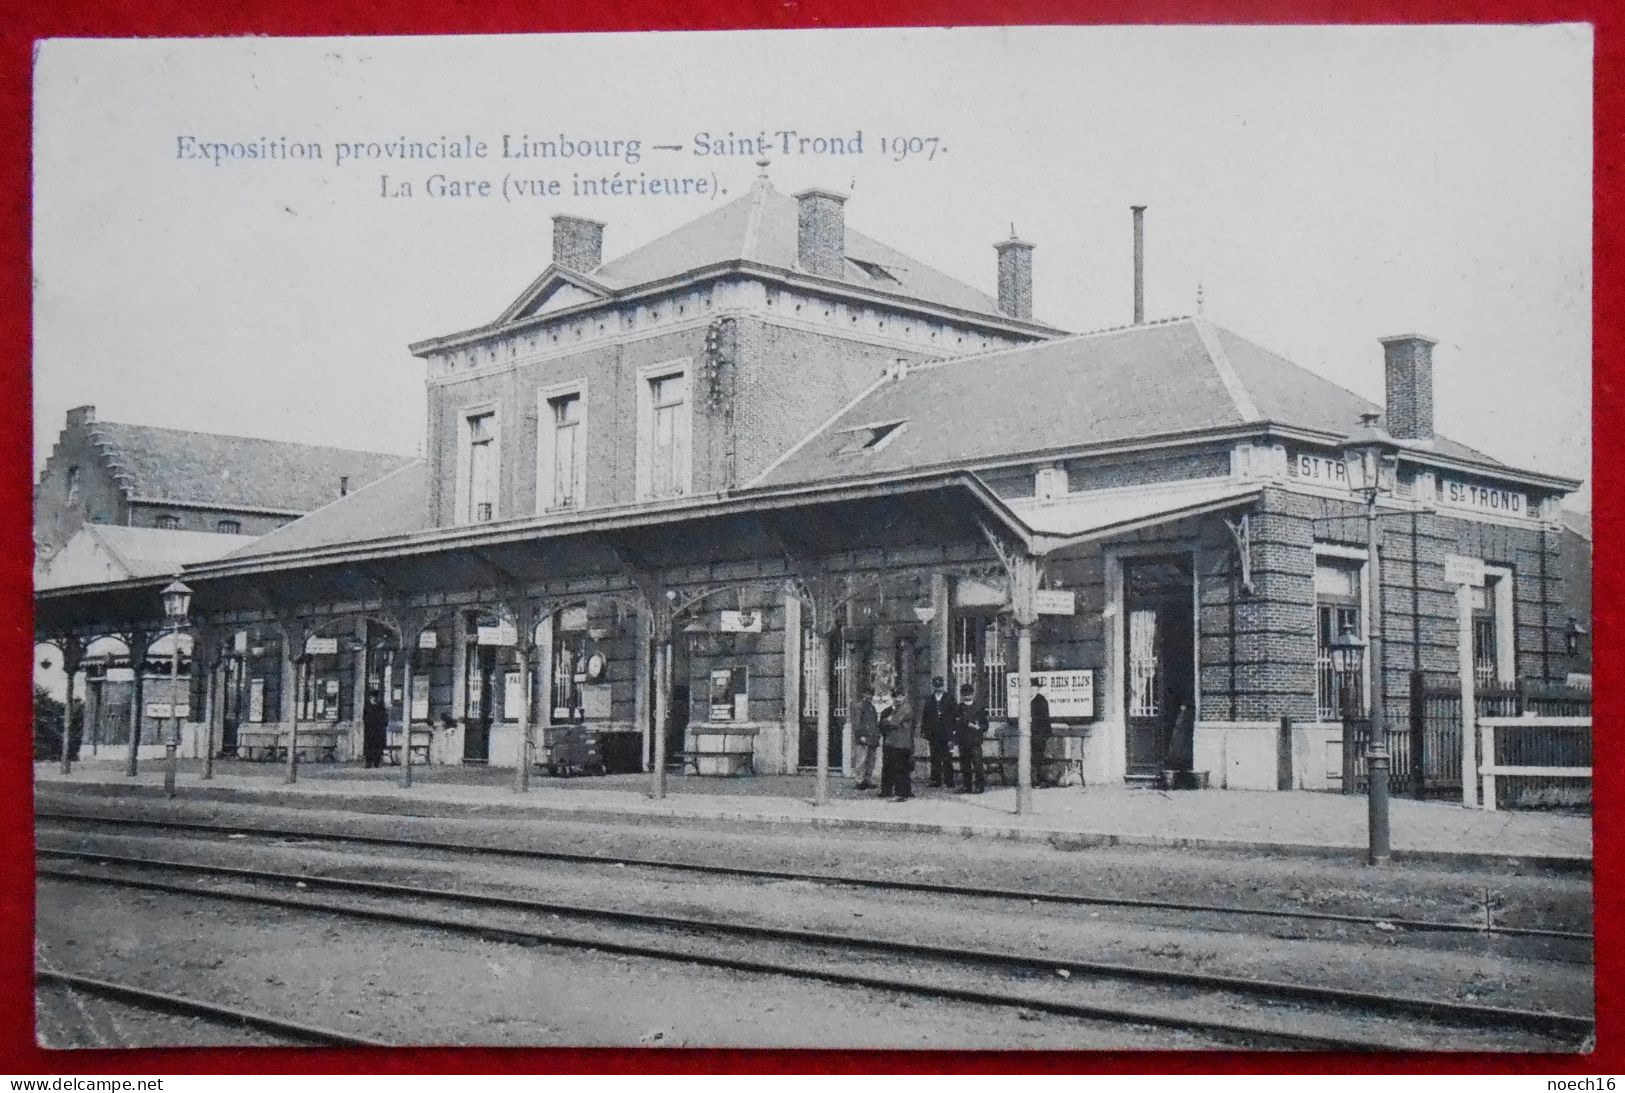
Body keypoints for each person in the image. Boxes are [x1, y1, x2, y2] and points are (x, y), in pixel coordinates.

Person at [919, 676, 956, 788]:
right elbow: (925, 716)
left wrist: (952, 732)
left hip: (946, 733)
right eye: (936, 686)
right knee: (934, 757)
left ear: (943, 686)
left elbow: (954, 715)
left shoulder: (949, 698)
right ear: (933, 686)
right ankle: (936, 780)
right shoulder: (929, 699)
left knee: (947, 757)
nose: (938, 688)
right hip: (933, 732)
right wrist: (924, 730)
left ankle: (949, 780)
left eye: (940, 686)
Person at [879, 696, 915, 802]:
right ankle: (891, 791)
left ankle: (901, 793)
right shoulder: (891, 710)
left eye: (900, 696)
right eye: (895, 696)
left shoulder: (906, 708)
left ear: (904, 696)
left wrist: (889, 721)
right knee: (892, 767)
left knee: (901, 768)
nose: (898, 699)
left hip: (902, 743)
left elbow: (893, 722)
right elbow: (883, 724)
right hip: (892, 743)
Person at [852, 686, 888, 790]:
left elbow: (874, 723)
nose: (869, 696)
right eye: (867, 694)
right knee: (861, 759)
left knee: (871, 760)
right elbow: (857, 723)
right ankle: (859, 780)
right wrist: (861, 735)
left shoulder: (872, 707)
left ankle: (868, 779)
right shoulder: (858, 706)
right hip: (864, 737)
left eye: (871, 694)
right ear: (863, 694)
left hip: (872, 737)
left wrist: (877, 735)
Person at [953, 682, 987, 794]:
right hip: (963, 741)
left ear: (973, 694)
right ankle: (967, 786)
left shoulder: (979, 708)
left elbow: (985, 725)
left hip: (975, 741)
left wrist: (978, 727)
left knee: (977, 765)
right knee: (965, 765)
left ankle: (979, 786)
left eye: (969, 694)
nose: (967, 697)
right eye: (964, 694)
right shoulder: (959, 708)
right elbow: (955, 724)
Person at [1030, 679, 1052, 788]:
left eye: (1033, 688)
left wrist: (1031, 719)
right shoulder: (1029, 700)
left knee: (1038, 757)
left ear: (1037, 689)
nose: (1031, 690)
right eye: (1030, 688)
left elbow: (1043, 717)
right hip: (1033, 733)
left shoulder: (1041, 700)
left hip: (1040, 733)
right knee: (1034, 757)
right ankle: (1036, 780)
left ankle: (1041, 781)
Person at [361, 690, 388, 768]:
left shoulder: (380, 706)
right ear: (370, 698)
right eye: (372, 697)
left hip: (378, 730)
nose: (374, 699)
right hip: (369, 730)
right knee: (368, 747)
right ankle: (368, 762)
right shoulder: (367, 707)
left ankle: (377, 762)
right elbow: (364, 718)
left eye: (375, 697)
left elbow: (384, 717)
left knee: (377, 747)